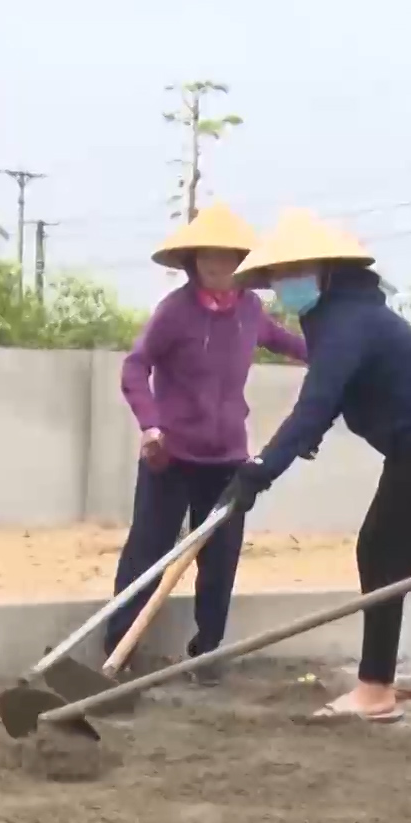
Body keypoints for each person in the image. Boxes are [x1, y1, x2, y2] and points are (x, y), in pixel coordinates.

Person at [216, 209, 411, 723]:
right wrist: (293, 446)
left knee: (379, 547)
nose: (281, 286)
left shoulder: (347, 318)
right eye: (275, 277)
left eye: (293, 272)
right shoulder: (334, 314)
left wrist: (259, 469)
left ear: (326, 269)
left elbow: (316, 400)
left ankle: (375, 688)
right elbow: (336, 395)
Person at [108, 203, 308, 686]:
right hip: (171, 458)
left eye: (228, 260)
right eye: (208, 260)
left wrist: (337, 351)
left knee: (219, 561)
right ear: (193, 262)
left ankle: (206, 654)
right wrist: (151, 426)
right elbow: (136, 367)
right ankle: (117, 652)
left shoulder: (251, 310)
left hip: (227, 461)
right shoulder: (174, 313)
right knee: (148, 554)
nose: (218, 269)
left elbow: (285, 342)